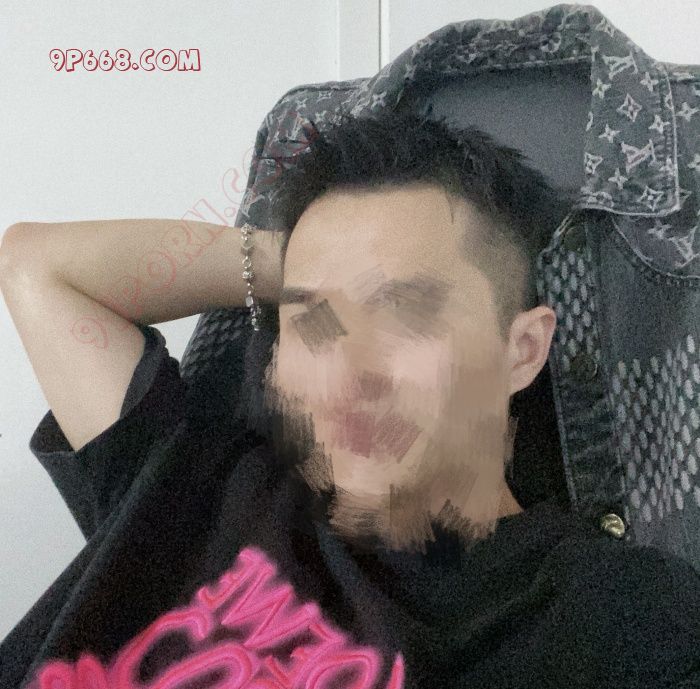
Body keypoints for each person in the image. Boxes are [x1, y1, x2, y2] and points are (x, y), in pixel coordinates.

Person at [1, 108, 698, 689]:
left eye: (407, 312)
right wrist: (298, 260)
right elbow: (35, 266)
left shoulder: (621, 618)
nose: (350, 375)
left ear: (522, 350)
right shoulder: (195, 479)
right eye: (313, 323)